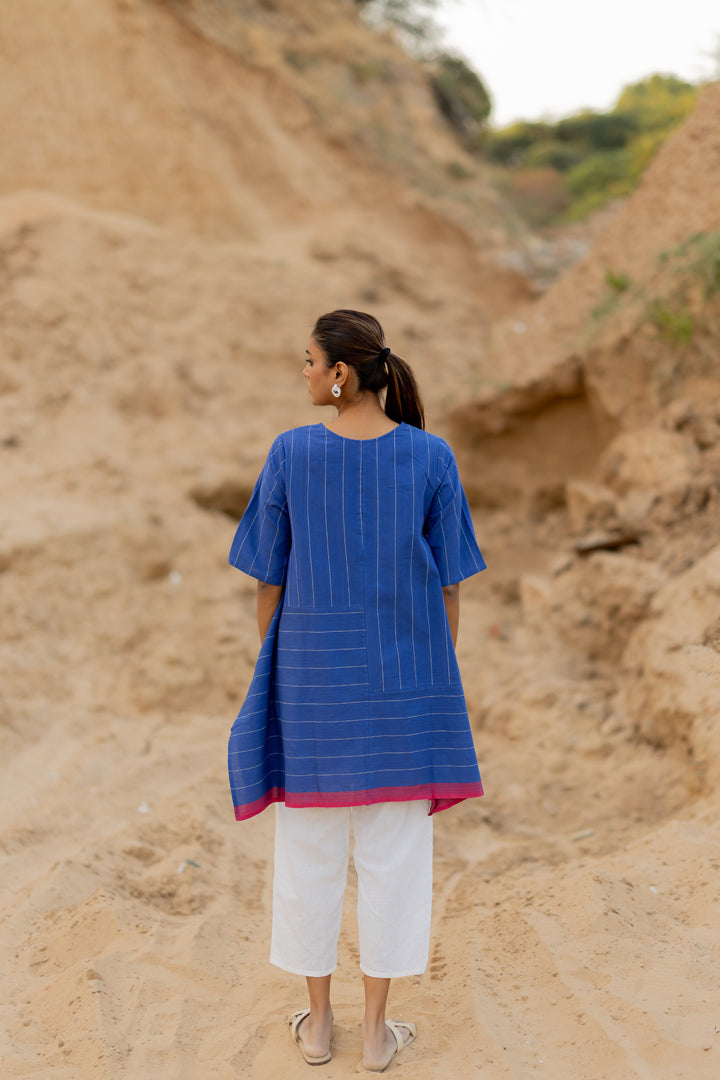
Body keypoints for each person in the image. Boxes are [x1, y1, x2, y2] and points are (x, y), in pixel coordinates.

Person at [227, 309, 486, 1071]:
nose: (304, 372)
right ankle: (375, 1034)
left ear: (341, 373)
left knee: (308, 854)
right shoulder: (431, 456)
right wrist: (430, 677)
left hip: (312, 680)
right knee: (394, 859)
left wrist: (279, 663)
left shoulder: (291, 453)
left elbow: (268, 579)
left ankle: (317, 1025)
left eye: (309, 360)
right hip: (406, 683)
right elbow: (450, 587)